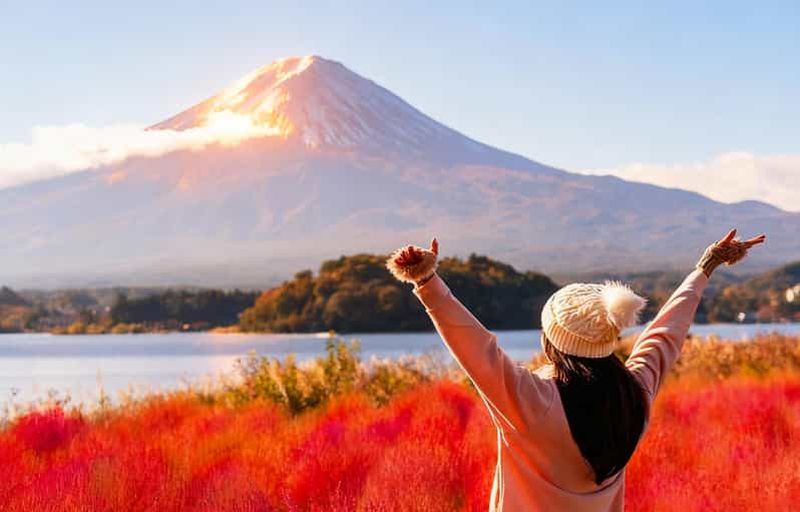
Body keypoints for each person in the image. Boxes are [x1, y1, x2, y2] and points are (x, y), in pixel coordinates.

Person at [385, 229, 765, 512]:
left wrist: (426, 280)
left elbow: (475, 348)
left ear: (552, 342)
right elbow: (666, 334)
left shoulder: (531, 402)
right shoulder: (634, 396)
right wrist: (706, 268)